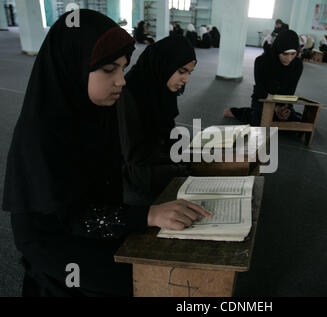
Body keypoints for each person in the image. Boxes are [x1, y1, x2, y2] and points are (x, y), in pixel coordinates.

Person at [3, 10, 209, 297]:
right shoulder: (42, 134)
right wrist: (147, 215)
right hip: (58, 248)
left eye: (123, 68)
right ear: (72, 65)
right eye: (109, 69)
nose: (121, 80)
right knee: (148, 282)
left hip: (100, 227)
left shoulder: (97, 113)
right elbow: (69, 219)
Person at [117, 35, 198, 204]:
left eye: (189, 73)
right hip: (138, 166)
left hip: (158, 154)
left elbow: (168, 132)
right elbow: (135, 155)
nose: (186, 79)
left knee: (199, 160)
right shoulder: (130, 93)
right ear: (164, 64)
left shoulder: (162, 85)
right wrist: (177, 162)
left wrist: (184, 155)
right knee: (191, 176)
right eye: (182, 71)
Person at [224, 30, 303, 126]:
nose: (289, 58)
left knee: (292, 123)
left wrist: (285, 108)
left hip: (282, 101)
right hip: (263, 98)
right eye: (285, 54)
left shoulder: (297, 64)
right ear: (278, 50)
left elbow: (290, 90)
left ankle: (275, 114)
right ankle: (238, 112)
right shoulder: (261, 61)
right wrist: (275, 108)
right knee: (259, 122)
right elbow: (260, 88)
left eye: (293, 54)